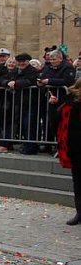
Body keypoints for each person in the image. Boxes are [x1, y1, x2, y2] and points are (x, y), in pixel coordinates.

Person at [49, 78, 81, 225]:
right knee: (78, 181)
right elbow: (56, 121)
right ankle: (79, 212)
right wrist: (53, 105)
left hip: (74, 144)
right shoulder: (68, 102)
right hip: (74, 145)